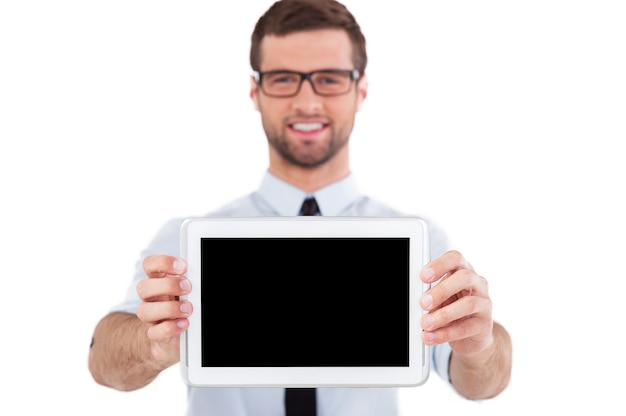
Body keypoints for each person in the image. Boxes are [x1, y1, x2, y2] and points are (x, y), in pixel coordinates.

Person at [88, 0, 512, 414]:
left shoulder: (417, 243)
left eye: (329, 78)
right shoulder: (187, 241)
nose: (307, 102)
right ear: (255, 91)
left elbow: (481, 383)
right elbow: (104, 365)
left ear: (361, 89)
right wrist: (153, 344)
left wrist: (479, 347)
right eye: (284, 78)